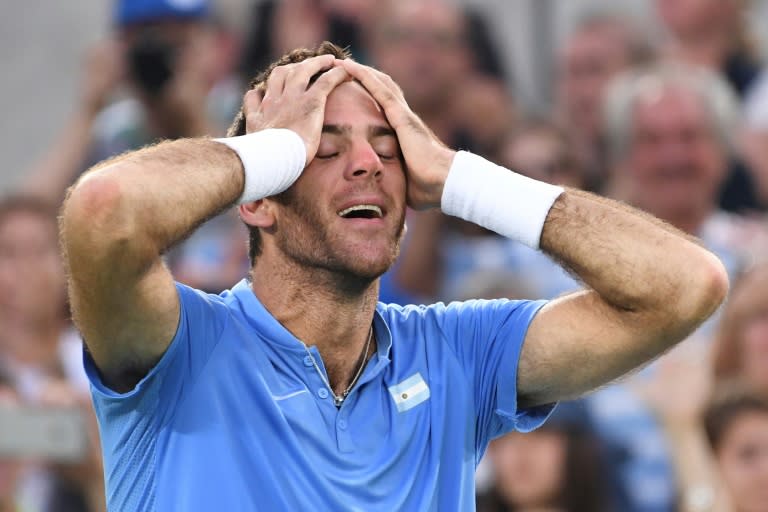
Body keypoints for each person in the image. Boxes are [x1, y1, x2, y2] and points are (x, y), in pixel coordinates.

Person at [59, 42, 728, 511]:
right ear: (258, 194)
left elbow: (685, 286)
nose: (368, 164)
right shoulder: (178, 345)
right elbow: (102, 211)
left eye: (389, 147)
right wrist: (274, 147)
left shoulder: (458, 353)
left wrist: (461, 177)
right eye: (324, 148)